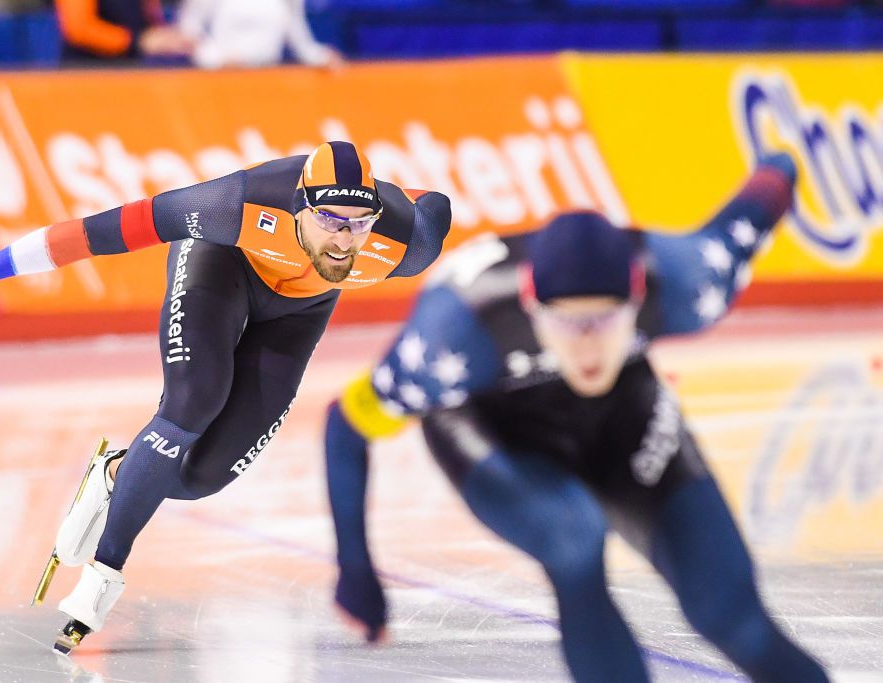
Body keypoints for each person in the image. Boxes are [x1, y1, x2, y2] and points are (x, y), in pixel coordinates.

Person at [0, 141, 452, 653]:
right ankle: (103, 575)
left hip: (299, 312)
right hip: (220, 266)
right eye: (330, 220)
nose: (344, 240)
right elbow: (97, 233)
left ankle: (117, 472)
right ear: (298, 204)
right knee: (194, 400)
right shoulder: (232, 205)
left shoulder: (406, 243)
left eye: (359, 224)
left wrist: (402, 201)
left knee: (199, 479)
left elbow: (435, 204)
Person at [323, 153, 830, 681]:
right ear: (529, 302)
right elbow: (346, 424)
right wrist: (356, 569)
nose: (587, 344)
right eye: (567, 323)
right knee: (574, 537)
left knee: (732, 616)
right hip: (489, 428)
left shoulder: (687, 281)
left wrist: (781, 165)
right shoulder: (456, 332)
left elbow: (755, 207)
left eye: (605, 320)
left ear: (638, 296)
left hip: (621, 417)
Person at [177, 0, 344, 70]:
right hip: (219, 77)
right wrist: (216, 58)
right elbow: (189, 29)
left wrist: (320, 56)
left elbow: (299, 38)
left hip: (266, 79)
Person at [55, 0, 195, 64]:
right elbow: (78, 29)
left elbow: (149, 20)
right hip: (85, 76)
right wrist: (135, 41)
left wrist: (167, 37)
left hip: (132, 73)